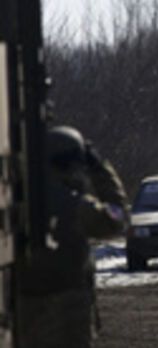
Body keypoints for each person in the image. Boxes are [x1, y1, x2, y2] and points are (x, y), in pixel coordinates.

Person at [18, 126, 129, 348]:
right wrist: (100, 170)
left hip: (26, 314)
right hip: (70, 319)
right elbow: (118, 218)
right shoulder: (77, 206)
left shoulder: (20, 206)